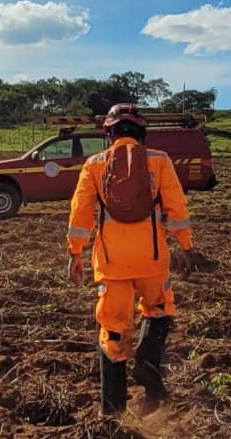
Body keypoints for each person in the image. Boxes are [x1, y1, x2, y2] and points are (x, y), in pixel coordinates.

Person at [66, 103, 197, 416]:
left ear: (109, 133)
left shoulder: (94, 165)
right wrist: (185, 246)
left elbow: (80, 212)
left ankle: (112, 411)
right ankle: (148, 361)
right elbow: (176, 207)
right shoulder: (159, 161)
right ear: (141, 131)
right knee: (160, 309)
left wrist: (75, 253)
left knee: (113, 329)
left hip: (111, 264)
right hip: (151, 259)